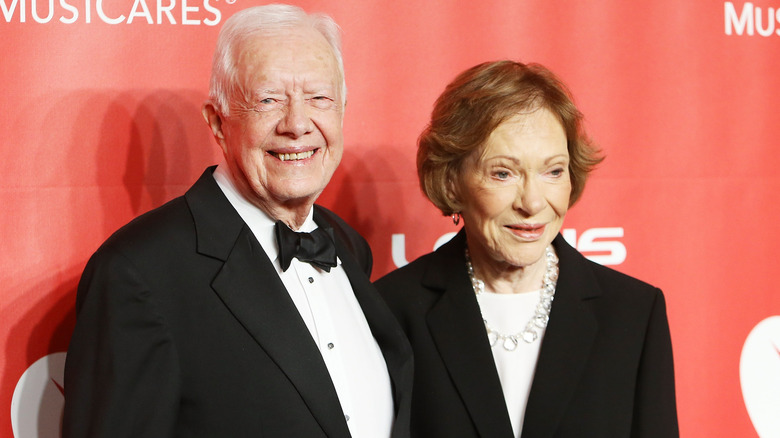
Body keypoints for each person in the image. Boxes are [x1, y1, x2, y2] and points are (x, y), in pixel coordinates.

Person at [63, 5, 412, 438]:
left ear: (342, 110)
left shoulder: (348, 244)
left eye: (319, 98)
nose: (297, 124)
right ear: (217, 122)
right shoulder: (139, 272)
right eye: (268, 100)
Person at [375, 60, 678, 437]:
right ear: (452, 181)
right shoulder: (392, 310)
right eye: (503, 173)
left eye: (553, 171)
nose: (532, 202)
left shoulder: (633, 314)